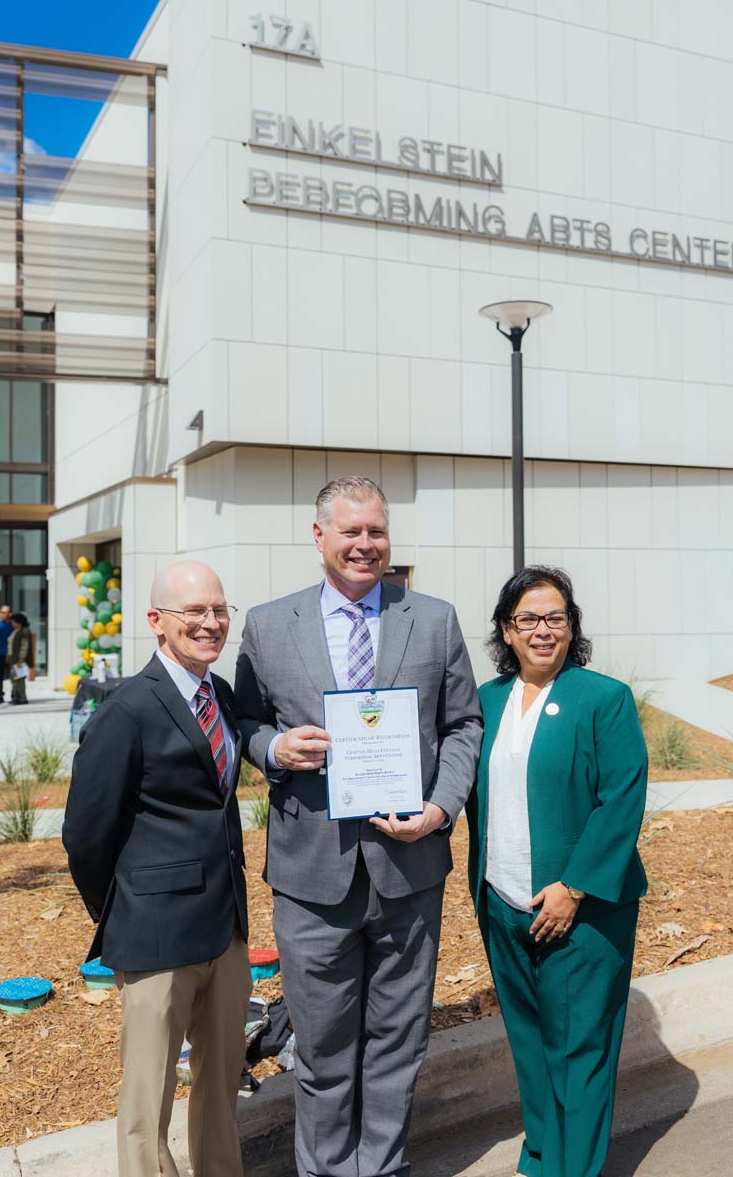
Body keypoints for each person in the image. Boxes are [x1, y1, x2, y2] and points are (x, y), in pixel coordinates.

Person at [235, 475, 482, 1177]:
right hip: (312, 873)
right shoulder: (267, 623)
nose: (366, 545)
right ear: (320, 537)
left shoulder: (431, 618)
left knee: (398, 1043)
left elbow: (463, 723)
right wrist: (274, 749)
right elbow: (245, 721)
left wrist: (440, 809)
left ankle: (382, 1168)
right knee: (321, 1048)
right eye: (352, 531)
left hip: (410, 869)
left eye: (376, 531)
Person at [63, 561, 250, 1177]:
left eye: (219, 610)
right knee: (148, 1102)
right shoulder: (126, 709)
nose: (210, 622)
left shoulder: (219, 695)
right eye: (194, 611)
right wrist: (121, 913)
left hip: (224, 930)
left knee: (222, 1087)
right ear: (157, 622)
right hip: (154, 938)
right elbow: (86, 835)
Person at [467, 566, 647, 1177]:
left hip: (582, 906)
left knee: (580, 1047)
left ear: (572, 627)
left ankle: (575, 1168)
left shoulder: (603, 698)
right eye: (528, 620)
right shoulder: (485, 701)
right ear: (506, 630)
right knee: (531, 1039)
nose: (543, 631)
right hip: (502, 897)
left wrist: (573, 888)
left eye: (556, 618)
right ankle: (543, 1153)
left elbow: (622, 799)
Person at [6, 611, 35, 704]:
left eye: (13, 622)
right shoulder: (16, 631)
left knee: (19, 680)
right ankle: (15, 697)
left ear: (19, 622)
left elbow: (24, 647)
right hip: (13, 658)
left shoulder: (24, 631)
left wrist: (20, 660)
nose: (12, 623)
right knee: (14, 679)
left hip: (19, 660)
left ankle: (22, 698)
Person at [0, 604, 12, 704]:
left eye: (3, 612)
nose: (1, 614)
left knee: (14, 675)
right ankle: (0, 695)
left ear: (9, 614)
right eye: (0, 612)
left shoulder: (13, 626)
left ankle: (15, 694)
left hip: (10, 655)